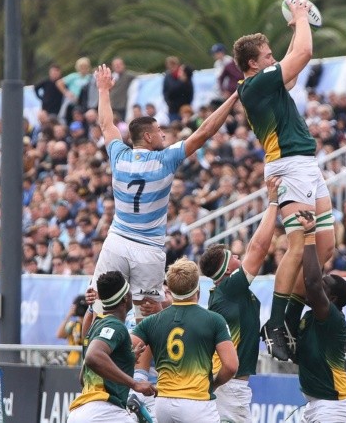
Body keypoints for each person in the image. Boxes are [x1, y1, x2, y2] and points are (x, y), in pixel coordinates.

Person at [82, 65, 238, 338]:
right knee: (146, 318)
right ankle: (141, 373)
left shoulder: (119, 156)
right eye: (159, 131)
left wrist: (103, 90)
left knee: (97, 306)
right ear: (148, 136)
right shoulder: (165, 160)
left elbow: (106, 124)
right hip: (149, 248)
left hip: (117, 240)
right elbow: (203, 133)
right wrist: (234, 97)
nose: (164, 135)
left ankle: (90, 359)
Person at [233, 0, 335, 361]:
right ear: (251, 65)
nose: (272, 58)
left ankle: (287, 319)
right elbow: (304, 54)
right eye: (266, 56)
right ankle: (276, 324)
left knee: (325, 249)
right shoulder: (255, 86)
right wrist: (300, 16)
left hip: (304, 163)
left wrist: (295, 29)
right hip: (289, 166)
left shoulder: (264, 82)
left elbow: (289, 66)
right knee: (297, 245)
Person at [198, 176, 281, 422]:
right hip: (230, 385)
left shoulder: (224, 291)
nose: (238, 255)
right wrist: (273, 202)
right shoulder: (230, 287)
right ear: (225, 270)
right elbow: (257, 249)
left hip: (226, 383)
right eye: (231, 255)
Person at [130, 257, 238, 423]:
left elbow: (123, 349)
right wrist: (214, 384)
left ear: (170, 288)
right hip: (196, 402)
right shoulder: (214, 320)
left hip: (163, 401)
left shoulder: (152, 321)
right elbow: (231, 366)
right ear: (198, 287)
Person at [68, 271, 156, 422]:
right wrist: (134, 384)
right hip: (103, 413)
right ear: (125, 298)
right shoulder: (115, 325)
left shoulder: (96, 325)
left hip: (81, 412)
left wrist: (126, 359)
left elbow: (83, 376)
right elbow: (93, 357)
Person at [294, 210, 346, 422]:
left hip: (334, 405)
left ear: (334, 299)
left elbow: (311, 282)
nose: (319, 284)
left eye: (325, 285)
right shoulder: (310, 318)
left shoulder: (333, 318)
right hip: (315, 404)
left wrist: (310, 234)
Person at [55, 294, 88, 367]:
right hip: (72, 362)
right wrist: (69, 315)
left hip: (86, 361)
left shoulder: (92, 325)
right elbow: (59, 335)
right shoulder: (73, 325)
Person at [162, 56, 194, 123]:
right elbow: (168, 92)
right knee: (175, 126)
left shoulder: (185, 75)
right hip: (173, 109)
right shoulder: (168, 77)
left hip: (185, 107)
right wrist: (169, 103)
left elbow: (190, 92)